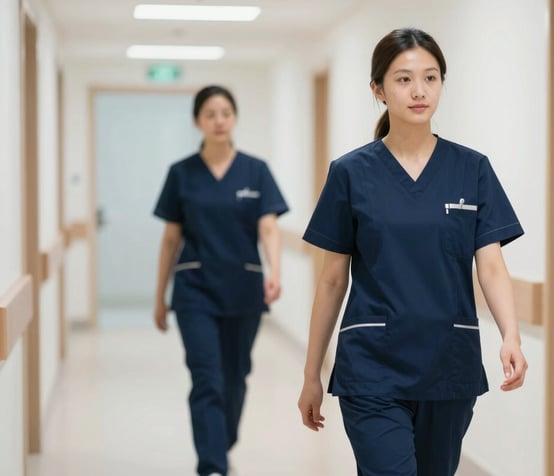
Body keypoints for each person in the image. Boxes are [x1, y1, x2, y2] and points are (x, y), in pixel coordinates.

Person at [297, 28, 528, 476]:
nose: (419, 91)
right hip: (372, 364)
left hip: (448, 361)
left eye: (431, 77)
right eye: (403, 79)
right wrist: (311, 374)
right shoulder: (350, 173)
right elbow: (331, 280)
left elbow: (492, 266)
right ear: (378, 89)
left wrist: (511, 335)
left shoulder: (471, 169)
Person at [153, 85, 288, 476]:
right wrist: (159, 296)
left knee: (235, 375)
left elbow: (268, 227)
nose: (218, 120)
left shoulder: (255, 170)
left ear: (235, 118)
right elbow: (169, 239)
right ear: (197, 121)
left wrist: (275, 271)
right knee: (206, 376)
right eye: (210, 113)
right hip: (194, 291)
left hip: (244, 289)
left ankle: (220, 441)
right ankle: (212, 465)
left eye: (225, 112)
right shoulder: (181, 174)